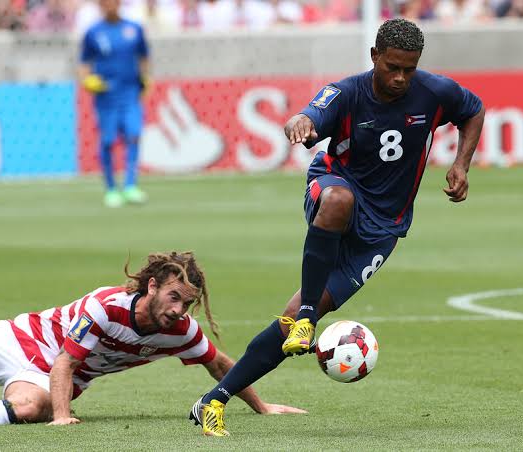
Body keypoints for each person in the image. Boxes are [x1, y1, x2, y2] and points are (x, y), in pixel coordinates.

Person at [189, 18, 485, 436]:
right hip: (333, 187)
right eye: (392, 67)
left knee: (287, 320)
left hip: (383, 229)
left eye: (409, 69)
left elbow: (473, 110)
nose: (400, 77)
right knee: (338, 202)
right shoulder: (347, 93)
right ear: (374, 56)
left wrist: (461, 164)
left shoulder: (435, 92)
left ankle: (212, 401)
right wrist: (300, 122)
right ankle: (310, 317)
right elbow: (310, 112)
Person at [0, 251, 305, 429]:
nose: (179, 310)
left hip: (47, 377)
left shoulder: (179, 331)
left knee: (32, 407)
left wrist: (262, 407)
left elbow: (220, 366)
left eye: (187, 303)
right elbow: (65, 360)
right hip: (15, 340)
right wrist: (63, 417)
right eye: (174, 297)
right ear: (153, 286)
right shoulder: (107, 305)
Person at [79, 0, 150, 208]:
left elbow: (144, 57)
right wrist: (87, 80)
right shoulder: (93, 32)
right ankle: (111, 188)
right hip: (106, 96)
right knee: (108, 141)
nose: (110, 5)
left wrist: (146, 78)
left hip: (130, 93)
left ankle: (130, 185)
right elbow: (84, 63)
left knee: (134, 135)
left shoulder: (133, 29)